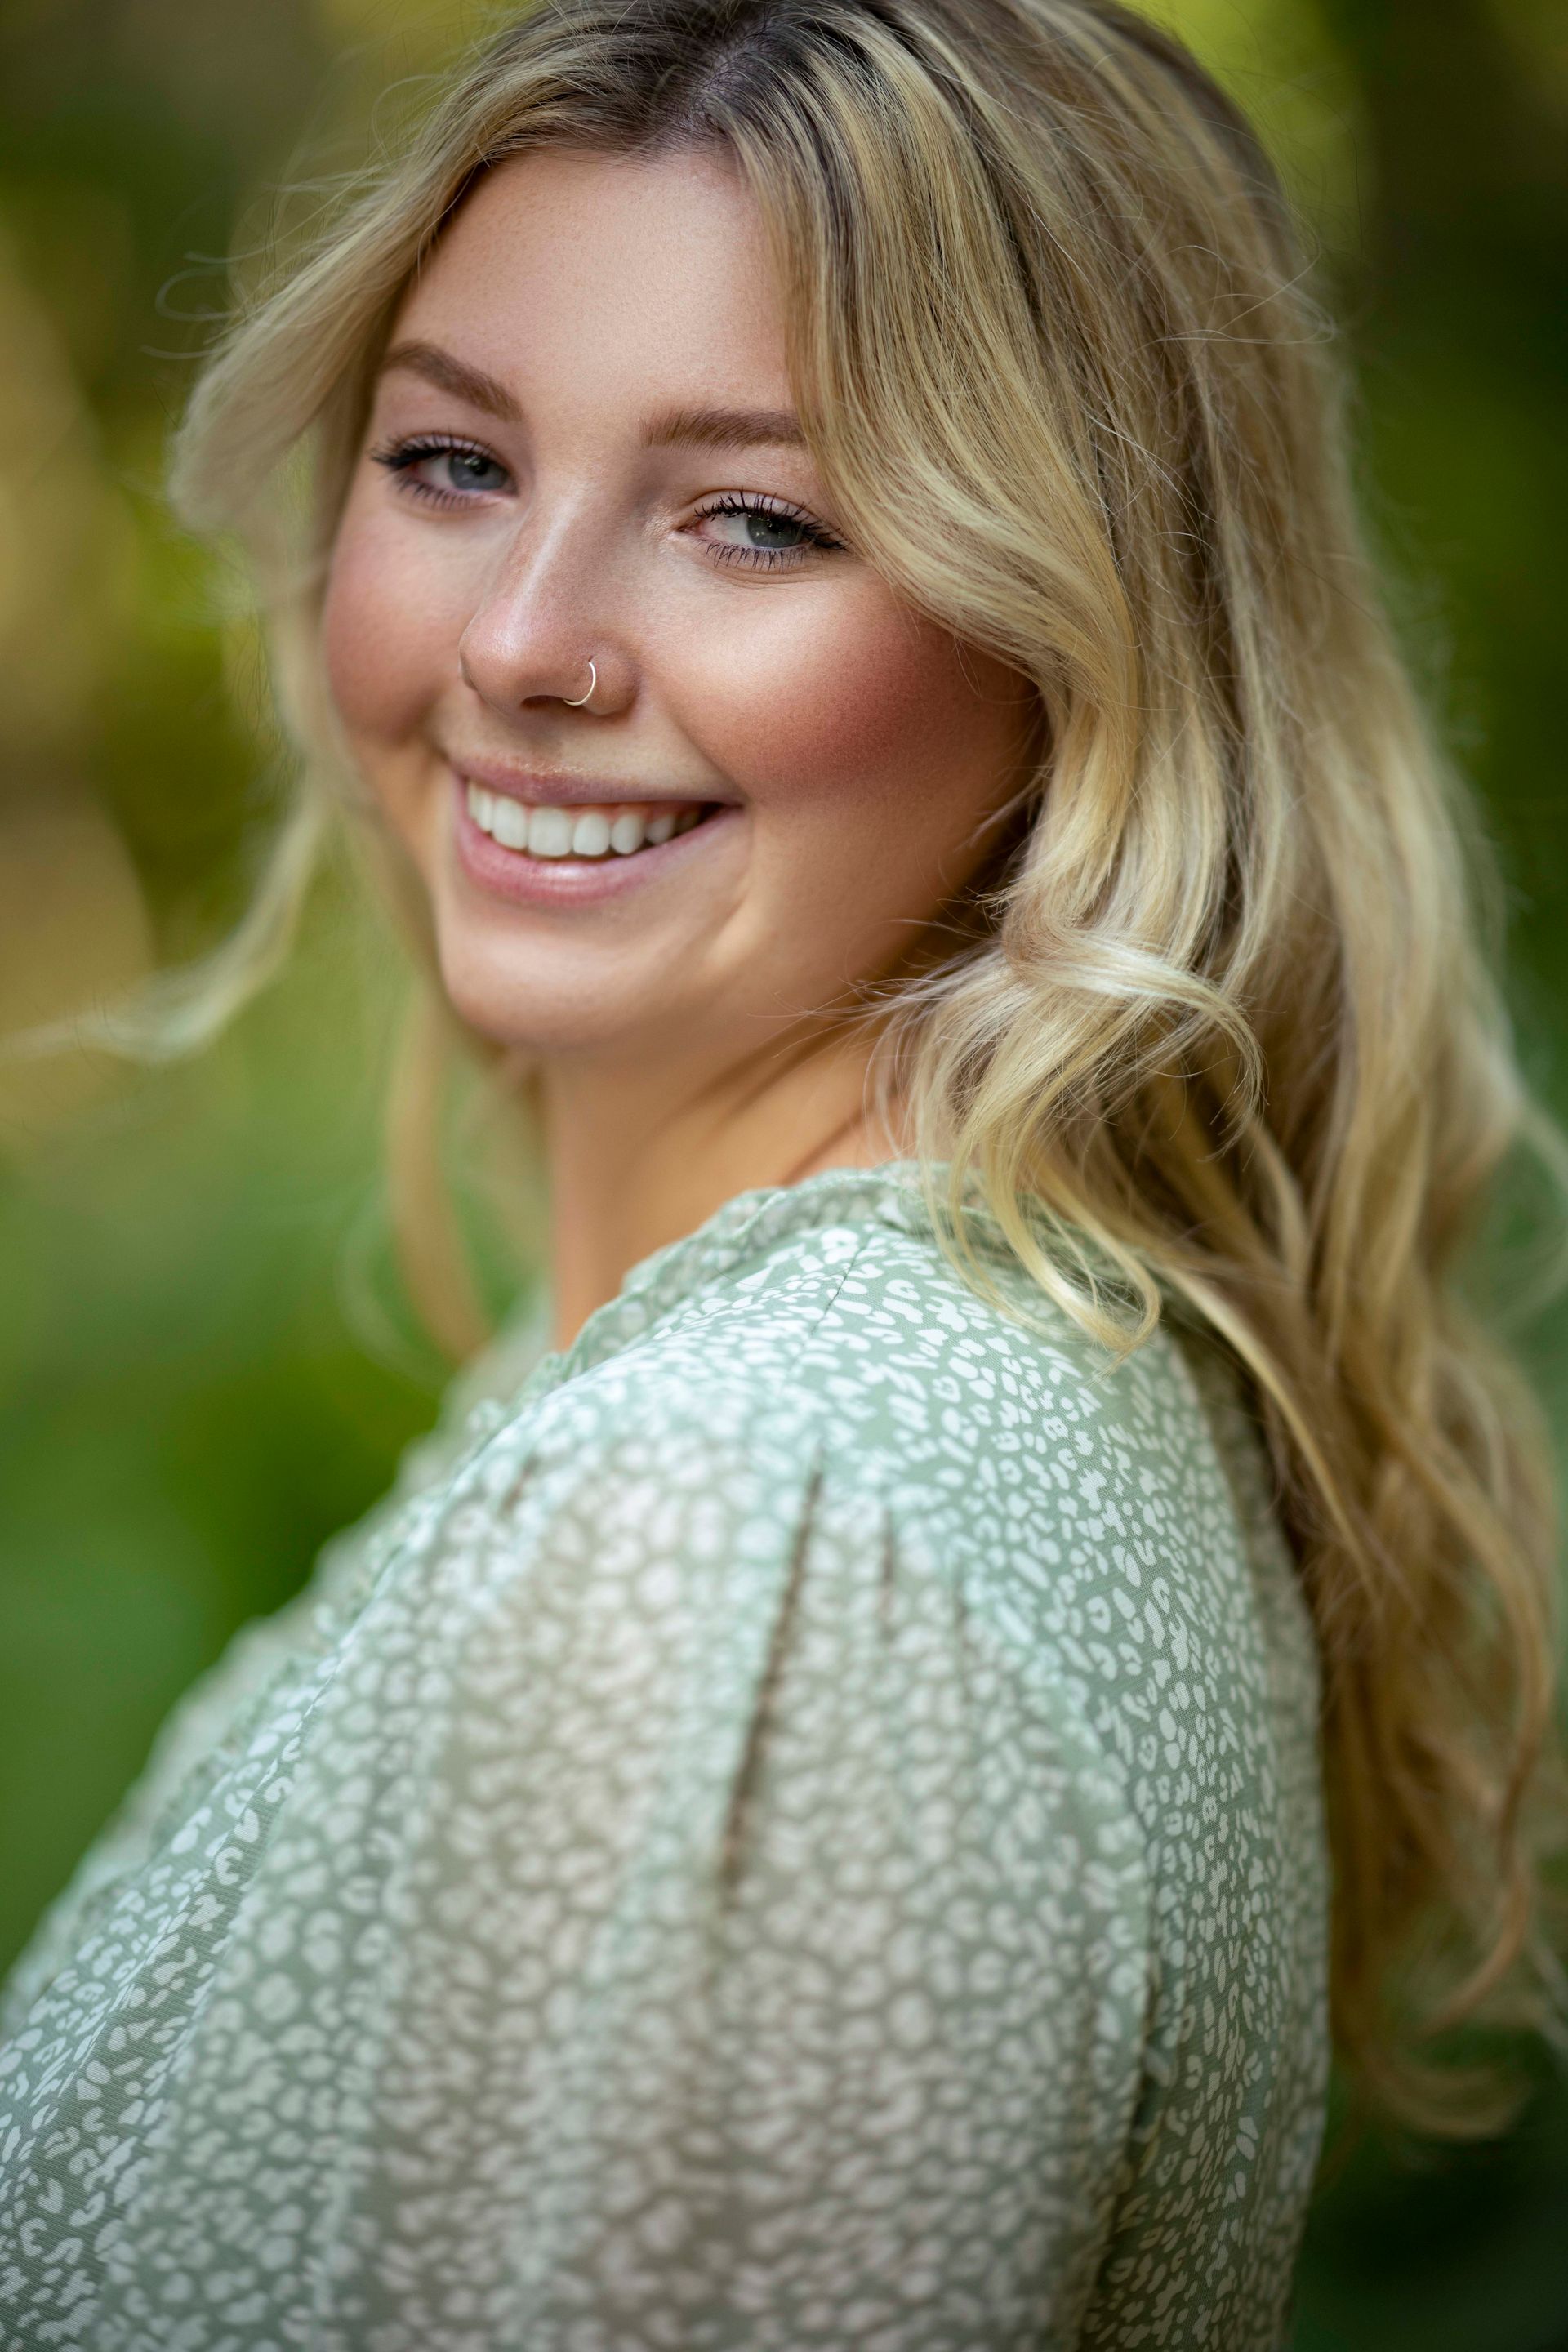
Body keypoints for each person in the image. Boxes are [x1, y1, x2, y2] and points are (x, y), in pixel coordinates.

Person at [1, 1, 1561, 2344]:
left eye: (755, 516)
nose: (525, 643)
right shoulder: (868, 1388)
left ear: (1087, 643)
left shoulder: (766, 1522)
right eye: (452, 464)